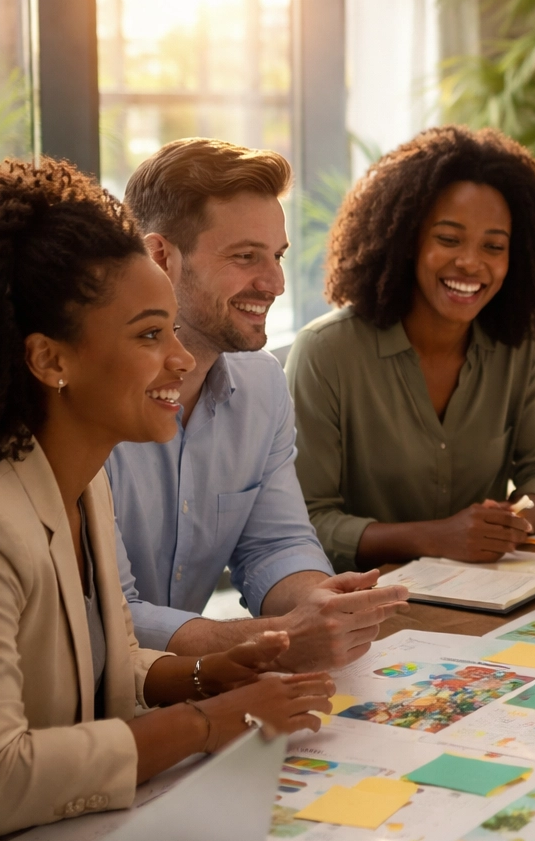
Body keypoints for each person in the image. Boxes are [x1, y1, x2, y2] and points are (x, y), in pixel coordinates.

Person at [0, 159, 334, 841]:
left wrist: (208, 672)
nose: (181, 361)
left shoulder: (77, 482)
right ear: (50, 361)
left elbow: (103, 659)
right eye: (151, 335)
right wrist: (204, 722)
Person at [111, 138, 407, 670]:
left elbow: (275, 545)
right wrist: (282, 635)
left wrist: (319, 604)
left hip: (183, 686)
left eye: (277, 257)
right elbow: (103, 617)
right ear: (160, 258)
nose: (274, 283)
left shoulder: (262, 383)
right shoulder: (90, 398)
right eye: (246, 257)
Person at [287, 126, 535, 572]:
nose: (470, 262)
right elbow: (306, 521)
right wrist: (437, 538)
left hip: (487, 591)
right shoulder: (326, 354)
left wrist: (510, 523)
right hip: (364, 605)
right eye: (448, 239)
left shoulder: (520, 345)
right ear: (406, 241)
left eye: (494, 246)